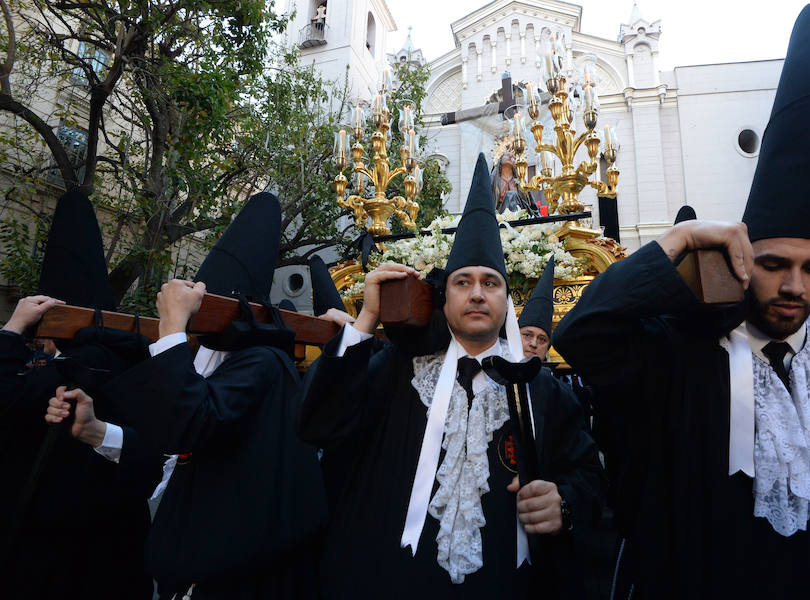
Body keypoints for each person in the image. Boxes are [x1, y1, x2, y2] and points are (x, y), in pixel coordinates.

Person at [552, 5, 810, 598]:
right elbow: (583, 334)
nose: (795, 285)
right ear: (742, 260)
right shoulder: (680, 356)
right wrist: (679, 241)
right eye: (773, 264)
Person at [298, 154, 603, 598]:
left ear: (506, 302)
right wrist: (366, 319)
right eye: (462, 282)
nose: (477, 293)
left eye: (490, 283)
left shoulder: (542, 391)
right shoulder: (394, 372)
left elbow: (589, 476)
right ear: (444, 300)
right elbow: (319, 424)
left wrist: (566, 503)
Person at [98, 192, 328, 599]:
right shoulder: (224, 360)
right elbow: (173, 445)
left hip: (243, 577)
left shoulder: (263, 362)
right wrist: (96, 430)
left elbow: (190, 422)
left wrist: (170, 327)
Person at [0, 191, 159, 600]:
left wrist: (12, 330)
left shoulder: (69, 369)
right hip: (116, 559)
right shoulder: (133, 363)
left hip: (58, 560)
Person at [518, 256, 555, 361]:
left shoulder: (551, 378)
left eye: (542, 339)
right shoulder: (489, 376)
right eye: (527, 335)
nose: (533, 344)